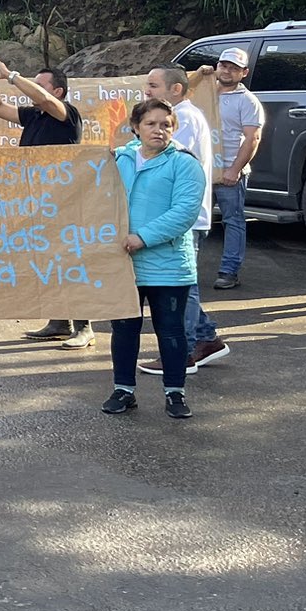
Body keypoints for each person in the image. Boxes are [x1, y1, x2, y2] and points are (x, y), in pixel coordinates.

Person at [0, 59, 90, 347]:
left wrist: (11, 75)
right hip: (38, 200)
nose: (34, 91)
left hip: (64, 200)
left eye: (41, 84)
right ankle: (59, 322)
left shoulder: (67, 115)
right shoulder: (34, 116)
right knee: (48, 260)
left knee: (70, 261)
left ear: (59, 92)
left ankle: (84, 326)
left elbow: (42, 99)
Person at [106, 100, 207, 419]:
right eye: (151, 123)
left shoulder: (184, 163)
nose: (159, 130)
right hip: (125, 265)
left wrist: (142, 237)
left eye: (165, 124)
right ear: (136, 127)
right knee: (124, 330)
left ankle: (175, 393)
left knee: (171, 332)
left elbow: (185, 212)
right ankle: (124, 390)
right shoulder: (118, 159)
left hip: (169, 266)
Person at [141, 66, 222, 372]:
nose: (147, 91)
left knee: (181, 286)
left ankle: (184, 353)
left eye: (153, 85)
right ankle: (206, 339)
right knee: (183, 286)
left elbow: (166, 158)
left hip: (183, 217)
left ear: (175, 90)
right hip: (182, 216)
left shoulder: (182, 118)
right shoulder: (184, 114)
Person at [210, 48, 264, 290]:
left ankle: (229, 271)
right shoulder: (203, 92)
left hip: (229, 172)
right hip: (200, 171)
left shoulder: (247, 101)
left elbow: (253, 138)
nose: (227, 70)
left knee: (233, 221)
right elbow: (174, 86)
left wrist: (235, 169)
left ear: (244, 72)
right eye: (224, 65)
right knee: (192, 221)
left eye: (234, 67)